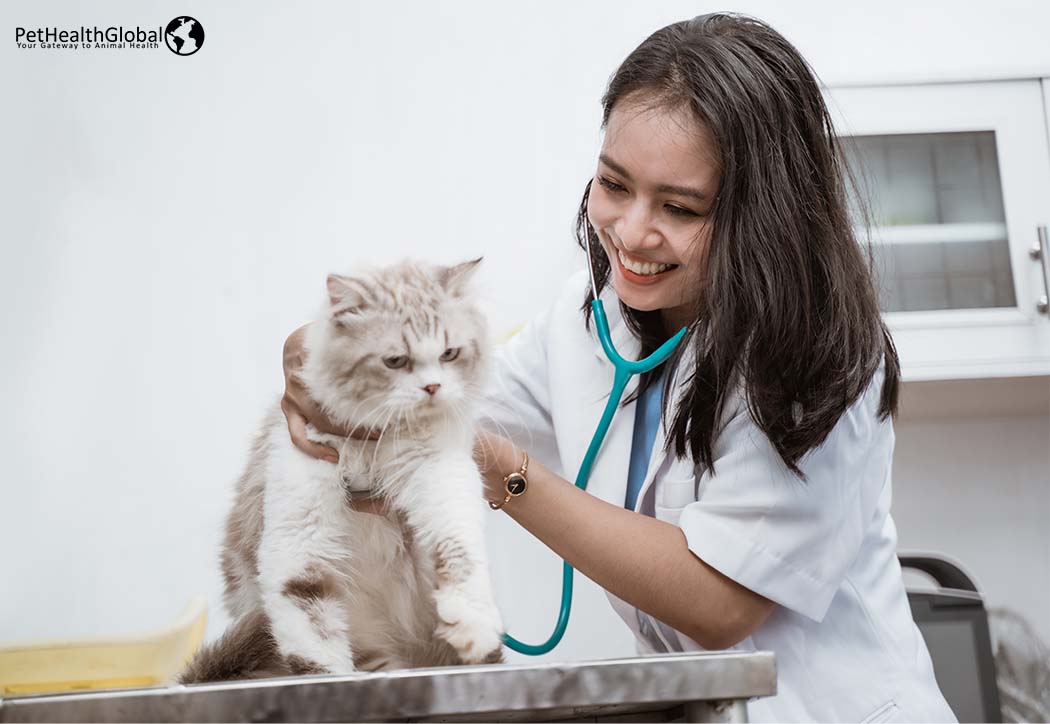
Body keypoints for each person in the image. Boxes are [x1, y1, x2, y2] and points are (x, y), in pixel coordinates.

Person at [280, 13, 957, 722]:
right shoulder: (585, 321)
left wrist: (500, 471)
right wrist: (324, 357)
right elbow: (434, 408)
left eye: (681, 207)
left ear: (764, 214)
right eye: (614, 184)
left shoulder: (821, 355)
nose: (632, 233)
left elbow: (718, 604)